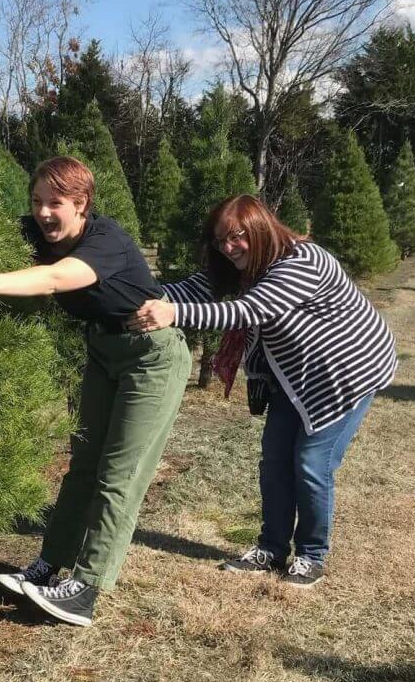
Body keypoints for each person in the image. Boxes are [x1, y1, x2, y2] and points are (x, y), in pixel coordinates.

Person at [0, 156, 191, 626]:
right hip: (103, 350)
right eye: (36, 201)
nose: (43, 213)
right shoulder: (37, 229)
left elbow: (57, 278)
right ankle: (49, 565)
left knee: (119, 473)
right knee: (82, 466)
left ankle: (87, 588)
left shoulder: (106, 240)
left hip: (151, 357)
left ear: (82, 204)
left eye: (56, 203)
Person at [131, 194, 397, 588]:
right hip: (295, 377)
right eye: (220, 240)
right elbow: (195, 287)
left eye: (237, 237)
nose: (228, 247)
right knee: (274, 460)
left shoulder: (303, 261)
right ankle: (271, 548)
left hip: (347, 374)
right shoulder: (241, 263)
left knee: (310, 463)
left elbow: (248, 310)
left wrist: (173, 314)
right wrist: (139, 294)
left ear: (261, 229)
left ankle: (311, 555)